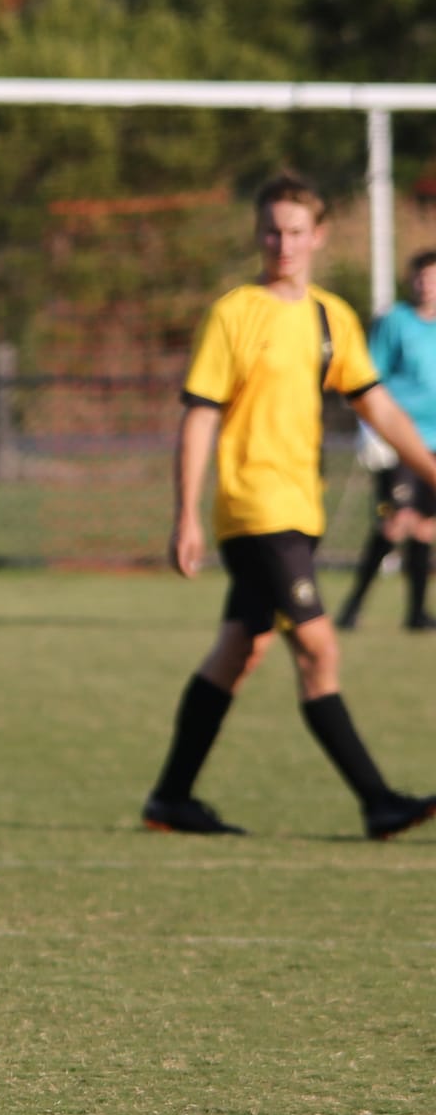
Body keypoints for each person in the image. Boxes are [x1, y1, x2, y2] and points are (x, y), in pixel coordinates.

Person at [142, 173, 436, 840]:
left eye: (296, 231)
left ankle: (170, 798)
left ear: (318, 236)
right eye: (272, 230)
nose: (284, 243)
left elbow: (377, 404)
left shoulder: (332, 316)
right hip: (255, 507)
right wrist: (185, 511)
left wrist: (430, 468)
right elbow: (198, 416)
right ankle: (378, 800)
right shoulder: (234, 313)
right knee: (317, 646)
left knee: (238, 649)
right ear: (258, 234)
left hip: (300, 507)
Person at [337, 249, 436, 631]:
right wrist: (372, 432)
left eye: (432, 278)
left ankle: (416, 613)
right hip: (400, 440)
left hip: (435, 440)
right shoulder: (395, 321)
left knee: (424, 524)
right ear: (410, 280)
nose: (426, 285)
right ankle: (352, 607)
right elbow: (369, 377)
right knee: (397, 521)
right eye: (421, 277)